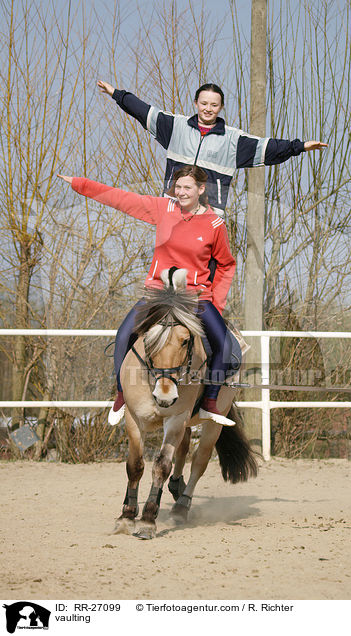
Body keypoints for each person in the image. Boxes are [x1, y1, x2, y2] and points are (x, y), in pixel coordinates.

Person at [58, 166, 236, 427]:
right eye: (178, 187)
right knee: (123, 335)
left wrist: (216, 302)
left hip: (196, 297)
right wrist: (80, 183)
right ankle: (121, 395)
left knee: (224, 344)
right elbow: (120, 198)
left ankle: (209, 401)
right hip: (157, 294)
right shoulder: (162, 208)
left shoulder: (214, 224)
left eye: (188, 187)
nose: (181, 192)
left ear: (200, 190)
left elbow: (226, 264)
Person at [98, 79, 327, 214]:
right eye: (204, 103)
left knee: (201, 285)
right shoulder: (175, 127)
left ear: (221, 107)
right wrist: (117, 94)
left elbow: (270, 148)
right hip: (173, 210)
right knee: (167, 280)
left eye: (214, 105)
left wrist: (301, 146)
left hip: (207, 217)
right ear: (196, 103)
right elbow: (143, 110)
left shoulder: (232, 140)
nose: (208, 108)